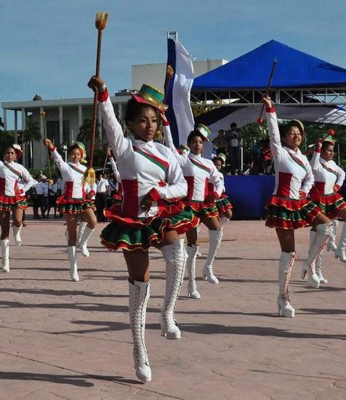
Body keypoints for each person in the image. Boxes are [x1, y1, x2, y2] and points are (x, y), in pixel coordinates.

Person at [88, 77, 196, 383]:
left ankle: (168, 314)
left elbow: (179, 186)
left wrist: (158, 193)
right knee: (139, 286)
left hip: (159, 215)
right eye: (143, 120)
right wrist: (103, 95)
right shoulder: (124, 149)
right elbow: (109, 123)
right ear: (132, 123)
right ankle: (140, 348)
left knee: (177, 251)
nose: (150, 126)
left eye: (154, 120)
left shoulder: (167, 154)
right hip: (132, 220)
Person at [261, 97, 332, 318]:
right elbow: (272, 133)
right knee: (288, 252)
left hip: (299, 201)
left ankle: (309, 265)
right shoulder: (280, 152)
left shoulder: (303, 157)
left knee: (326, 227)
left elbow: (309, 178)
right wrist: (271, 110)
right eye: (292, 133)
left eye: (299, 133)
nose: (296, 135)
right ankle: (283, 298)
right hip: (282, 203)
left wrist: (303, 191)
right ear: (285, 137)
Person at [163, 124, 222, 299]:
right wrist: (167, 125)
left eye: (200, 142)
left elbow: (219, 181)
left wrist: (216, 194)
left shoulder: (208, 163)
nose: (197, 145)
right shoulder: (183, 160)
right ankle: (191, 285)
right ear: (189, 144)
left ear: (203, 145)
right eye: (194, 142)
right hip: (188, 206)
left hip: (204, 204)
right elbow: (171, 145)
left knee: (217, 229)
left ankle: (208, 266)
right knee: (192, 246)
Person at [0, 136, 36, 272]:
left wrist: (23, 189)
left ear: (16, 156)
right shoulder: (0, 165)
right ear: (4, 155)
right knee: (4, 229)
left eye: (12, 153)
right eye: (7, 153)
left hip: (16, 198)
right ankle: (5, 261)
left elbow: (31, 180)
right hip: (3, 198)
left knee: (18, 221)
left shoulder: (20, 167)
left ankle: (17, 233)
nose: (9, 155)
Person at [43, 139, 97, 281]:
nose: (75, 156)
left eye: (78, 154)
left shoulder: (86, 169)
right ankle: (74, 269)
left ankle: (83, 242)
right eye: (72, 154)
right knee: (72, 234)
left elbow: (92, 185)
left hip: (83, 201)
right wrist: (51, 147)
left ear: (81, 156)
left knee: (93, 221)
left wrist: (92, 192)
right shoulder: (65, 167)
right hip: (69, 201)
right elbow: (57, 157)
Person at [307, 136, 346, 275]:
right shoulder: (315, 164)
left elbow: (342, 174)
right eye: (329, 151)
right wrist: (317, 147)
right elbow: (313, 166)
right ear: (321, 152)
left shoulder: (334, 164)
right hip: (319, 200)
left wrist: (338, 185)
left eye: (332, 151)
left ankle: (341, 249)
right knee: (320, 237)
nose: (332, 153)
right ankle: (316, 271)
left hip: (332, 197)